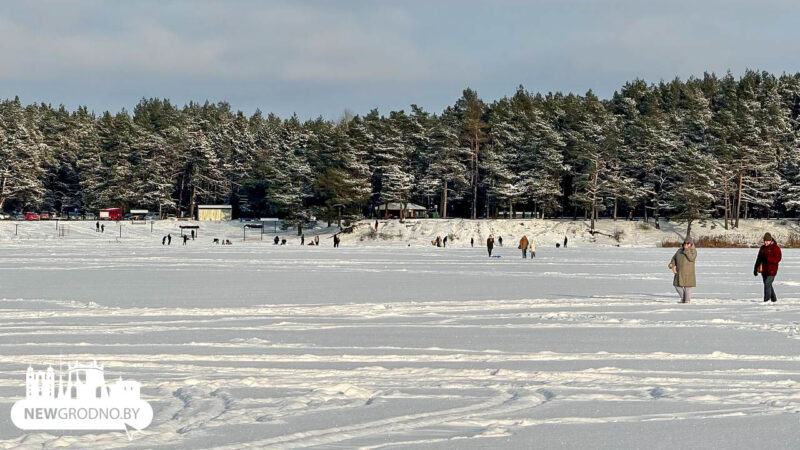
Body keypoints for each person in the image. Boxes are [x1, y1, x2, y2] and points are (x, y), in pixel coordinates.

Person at [754, 232, 782, 303]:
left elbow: (778, 258)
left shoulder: (775, 248)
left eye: (767, 241)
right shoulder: (762, 248)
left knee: (767, 284)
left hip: (772, 270)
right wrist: (755, 268)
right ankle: (774, 299)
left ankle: (767, 301)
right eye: (765, 241)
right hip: (764, 270)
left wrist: (769, 258)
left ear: (770, 241)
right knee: (768, 285)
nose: (766, 242)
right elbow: (759, 258)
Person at [669, 238, 696, 303]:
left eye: (688, 243)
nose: (686, 244)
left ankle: (687, 301)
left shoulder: (693, 251)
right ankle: (683, 298)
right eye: (685, 243)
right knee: (676, 285)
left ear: (691, 244)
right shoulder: (679, 250)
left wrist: (686, 250)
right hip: (679, 272)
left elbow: (691, 258)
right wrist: (672, 264)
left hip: (688, 273)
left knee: (687, 287)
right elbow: (674, 258)